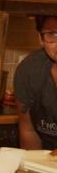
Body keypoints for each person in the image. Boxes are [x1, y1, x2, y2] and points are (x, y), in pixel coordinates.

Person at [15, 15, 57, 149]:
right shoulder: (29, 70)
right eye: (53, 34)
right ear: (41, 39)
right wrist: (33, 162)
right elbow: (29, 130)